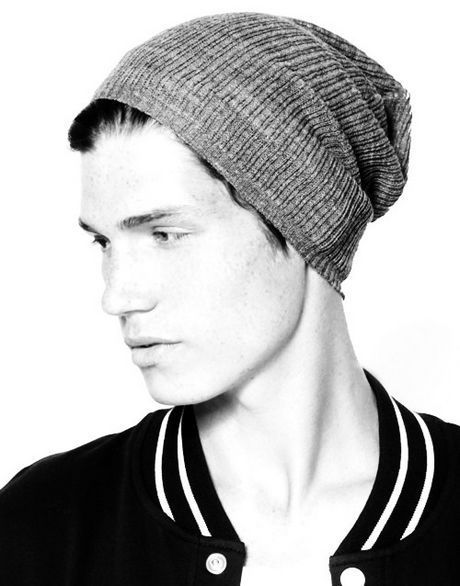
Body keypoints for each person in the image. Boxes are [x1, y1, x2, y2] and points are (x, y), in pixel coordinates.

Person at [0, 12, 458, 586]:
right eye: (104, 242)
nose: (117, 296)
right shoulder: (43, 527)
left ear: (301, 223)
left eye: (166, 234)